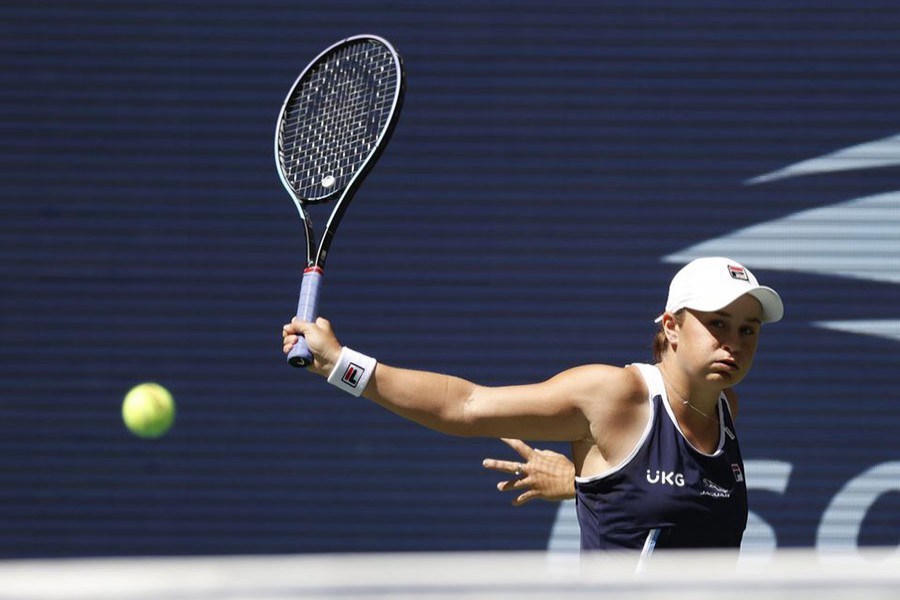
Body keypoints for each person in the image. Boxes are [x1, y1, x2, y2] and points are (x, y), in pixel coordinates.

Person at [281, 256, 783, 552]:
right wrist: (341, 365)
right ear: (671, 327)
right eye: (716, 323)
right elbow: (468, 406)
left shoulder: (724, 410)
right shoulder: (614, 395)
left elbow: (645, 494)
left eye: (747, 330)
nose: (733, 342)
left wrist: (586, 483)